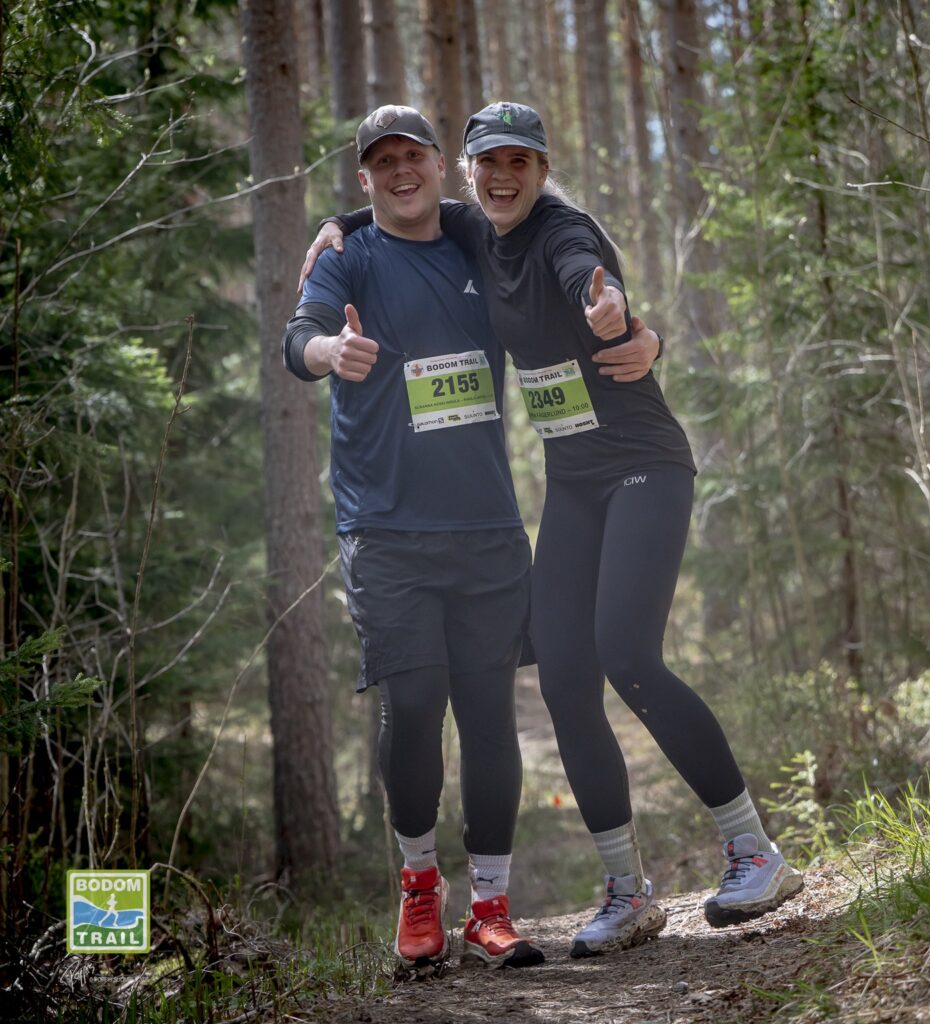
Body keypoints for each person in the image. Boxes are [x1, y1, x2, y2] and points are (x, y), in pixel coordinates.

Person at [306, 102, 804, 958]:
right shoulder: (477, 229)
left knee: (627, 653)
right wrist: (339, 224)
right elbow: (405, 205)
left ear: (543, 170)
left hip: (642, 463)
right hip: (574, 479)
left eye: (521, 163)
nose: (503, 179)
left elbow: (586, 272)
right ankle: (627, 893)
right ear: (469, 172)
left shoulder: (562, 230)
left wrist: (616, 312)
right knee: (566, 677)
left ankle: (754, 851)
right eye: (489, 164)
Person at [283, 105, 659, 973]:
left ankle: (491, 907)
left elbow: (562, 270)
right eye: (381, 161)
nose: (400, 171)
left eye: (412, 155)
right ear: (365, 177)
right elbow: (297, 337)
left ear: (437, 162)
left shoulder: (476, 241)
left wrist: (645, 334)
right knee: (415, 703)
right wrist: (327, 352)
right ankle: (420, 888)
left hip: (488, 529)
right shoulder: (348, 256)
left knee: (490, 719)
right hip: (385, 529)